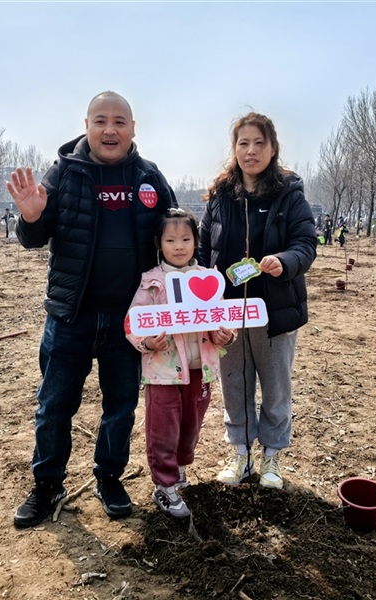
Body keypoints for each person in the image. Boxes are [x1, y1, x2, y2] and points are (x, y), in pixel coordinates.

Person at [5, 91, 178, 528]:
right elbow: (34, 237)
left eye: (120, 121)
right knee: (54, 406)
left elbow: (176, 242)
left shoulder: (149, 178)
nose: (110, 129)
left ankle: (109, 478)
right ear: (86, 125)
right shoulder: (64, 174)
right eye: (101, 120)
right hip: (70, 317)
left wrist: (181, 305)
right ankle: (47, 484)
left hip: (129, 321)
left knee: (120, 407)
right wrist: (30, 217)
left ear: (133, 129)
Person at [198, 112, 317, 490]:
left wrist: (284, 262)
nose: (251, 151)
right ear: (234, 150)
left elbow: (306, 244)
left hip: (274, 311)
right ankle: (241, 454)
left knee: (276, 385)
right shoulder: (220, 197)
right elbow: (204, 252)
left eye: (259, 143)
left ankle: (272, 456)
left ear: (272, 148)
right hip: (229, 312)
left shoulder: (289, 193)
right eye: (243, 143)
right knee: (235, 384)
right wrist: (201, 296)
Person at [125, 208, 236, 518]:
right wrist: (146, 343)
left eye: (185, 238)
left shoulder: (208, 279)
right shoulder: (152, 282)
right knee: (163, 428)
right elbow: (132, 322)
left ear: (196, 241)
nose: (178, 246)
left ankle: (180, 471)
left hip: (199, 370)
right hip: (163, 372)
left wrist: (225, 334)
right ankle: (164, 484)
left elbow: (221, 316)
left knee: (191, 426)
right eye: (170, 239)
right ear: (159, 243)